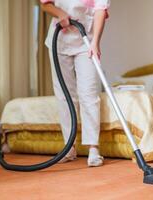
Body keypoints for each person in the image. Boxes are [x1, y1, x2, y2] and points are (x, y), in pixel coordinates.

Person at [40, 0, 110, 167]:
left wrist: (96, 42)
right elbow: (45, 4)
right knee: (64, 96)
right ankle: (69, 148)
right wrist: (60, 13)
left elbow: (101, 10)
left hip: (86, 41)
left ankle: (93, 148)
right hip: (59, 41)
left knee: (89, 94)